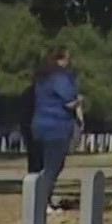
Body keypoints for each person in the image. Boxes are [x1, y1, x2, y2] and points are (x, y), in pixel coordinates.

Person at [30, 47, 83, 213]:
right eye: (68, 58)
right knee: (53, 167)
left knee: (41, 167)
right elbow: (69, 102)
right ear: (61, 60)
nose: (69, 61)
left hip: (39, 125)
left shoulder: (41, 79)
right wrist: (80, 101)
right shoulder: (60, 78)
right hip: (57, 126)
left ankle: (39, 198)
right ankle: (43, 202)